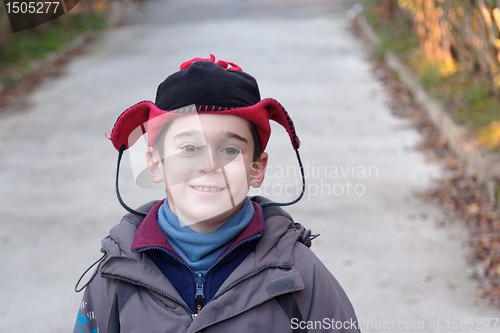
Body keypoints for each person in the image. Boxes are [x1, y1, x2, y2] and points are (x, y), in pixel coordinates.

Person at [73, 54, 360, 333]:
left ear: (256, 168)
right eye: (189, 148)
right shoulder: (114, 276)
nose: (210, 165)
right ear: (155, 164)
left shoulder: (299, 275)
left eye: (230, 150)